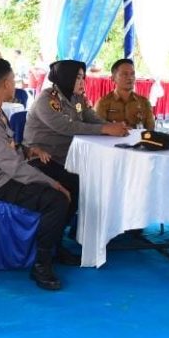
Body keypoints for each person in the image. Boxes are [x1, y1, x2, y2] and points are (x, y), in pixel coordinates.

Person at [0, 58, 71, 290]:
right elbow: (12, 166)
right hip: (1, 183)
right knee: (57, 198)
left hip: (7, 172)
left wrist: (28, 150)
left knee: (69, 180)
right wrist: (51, 183)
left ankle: (56, 245)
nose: (15, 85)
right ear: (5, 83)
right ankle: (41, 265)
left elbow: (8, 148)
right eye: (13, 80)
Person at [24, 60, 129, 236]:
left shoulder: (77, 98)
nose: (82, 82)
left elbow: (89, 117)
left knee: (97, 178)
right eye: (78, 78)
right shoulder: (48, 99)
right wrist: (105, 129)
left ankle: (77, 230)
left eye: (83, 77)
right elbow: (66, 126)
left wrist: (113, 126)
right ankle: (53, 239)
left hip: (68, 157)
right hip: (42, 158)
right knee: (76, 184)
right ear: (66, 78)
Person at [94, 59, 155, 130]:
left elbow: (150, 131)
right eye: (125, 74)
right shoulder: (103, 103)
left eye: (132, 74)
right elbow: (98, 130)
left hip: (139, 137)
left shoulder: (144, 102)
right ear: (113, 78)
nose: (130, 78)